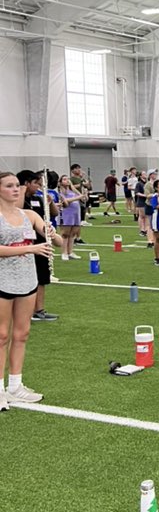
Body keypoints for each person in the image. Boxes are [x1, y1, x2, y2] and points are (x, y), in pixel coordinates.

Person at [0, 172, 63, 405]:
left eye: (17, 185)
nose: (15, 189)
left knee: (22, 333)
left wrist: (50, 231)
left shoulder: (29, 214)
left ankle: (15, 386)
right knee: (2, 335)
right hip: (2, 280)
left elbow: (56, 242)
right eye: (9, 186)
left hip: (27, 279)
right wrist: (30, 249)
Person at [18, 171, 58, 322]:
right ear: (26, 184)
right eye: (36, 183)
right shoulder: (16, 200)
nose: (38, 187)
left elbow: (54, 213)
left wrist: (50, 202)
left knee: (42, 277)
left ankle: (39, 310)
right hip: (23, 244)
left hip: (40, 242)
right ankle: (23, 311)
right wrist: (22, 191)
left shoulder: (38, 199)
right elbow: (18, 212)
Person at [57, 174, 85, 260]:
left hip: (76, 214)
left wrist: (83, 195)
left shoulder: (73, 191)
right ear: (60, 182)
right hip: (66, 214)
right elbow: (65, 201)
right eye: (64, 179)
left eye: (68, 179)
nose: (67, 181)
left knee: (73, 234)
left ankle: (70, 252)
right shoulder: (60, 192)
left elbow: (82, 198)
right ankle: (64, 252)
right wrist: (78, 198)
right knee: (65, 234)